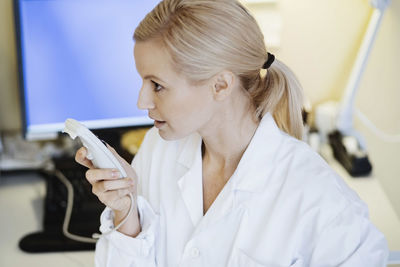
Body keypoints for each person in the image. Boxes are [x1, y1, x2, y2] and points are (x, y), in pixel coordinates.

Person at [75, 0, 388, 266]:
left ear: (221, 85)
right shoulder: (158, 149)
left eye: (157, 85)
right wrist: (126, 211)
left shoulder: (321, 201)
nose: (142, 101)